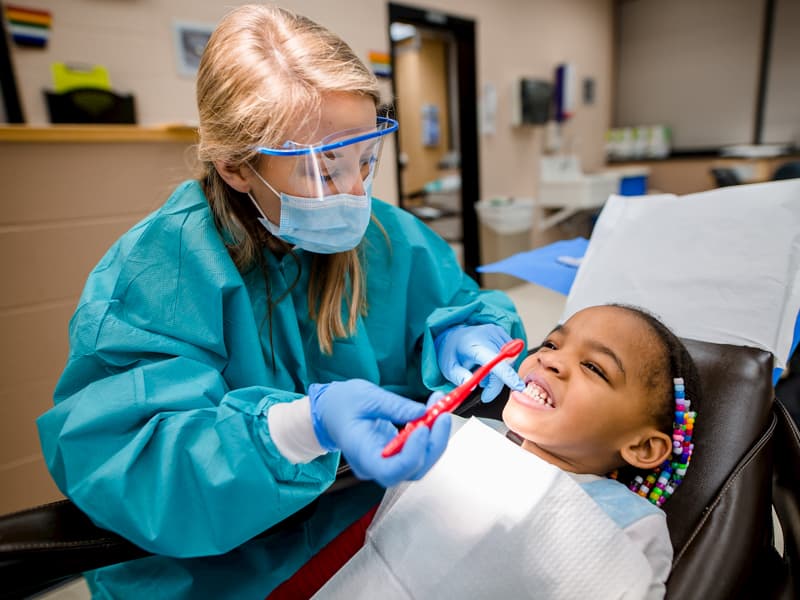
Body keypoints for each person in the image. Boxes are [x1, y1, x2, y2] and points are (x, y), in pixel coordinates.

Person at [35, 5, 526, 599]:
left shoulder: (392, 239)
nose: (352, 195)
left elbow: (454, 301)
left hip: (375, 536)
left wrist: (464, 334)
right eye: (323, 171)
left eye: (365, 163)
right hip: (218, 572)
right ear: (237, 166)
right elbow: (132, 462)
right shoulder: (157, 274)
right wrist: (297, 429)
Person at [272, 304, 700, 598]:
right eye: (551, 344)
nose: (548, 360)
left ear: (643, 447)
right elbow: (365, 547)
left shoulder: (629, 523)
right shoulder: (462, 437)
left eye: (594, 367)